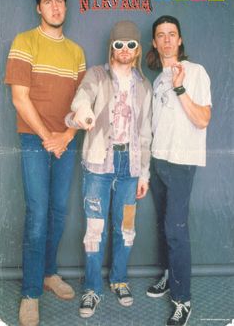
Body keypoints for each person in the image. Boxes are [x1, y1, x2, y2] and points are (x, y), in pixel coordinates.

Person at [4, 0, 86, 326]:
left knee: (56, 212)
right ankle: (31, 293)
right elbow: (19, 98)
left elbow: (85, 105)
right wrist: (48, 137)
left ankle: (49, 273)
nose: (55, 7)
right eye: (48, 2)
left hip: (64, 142)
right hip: (35, 140)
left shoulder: (76, 52)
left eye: (60, 1)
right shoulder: (25, 42)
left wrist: (65, 136)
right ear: (38, 8)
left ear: (65, 7)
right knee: (38, 215)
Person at [67, 20, 152, 318]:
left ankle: (119, 279)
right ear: (112, 47)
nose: (125, 50)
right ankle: (92, 288)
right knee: (95, 229)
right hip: (98, 166)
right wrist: (82, 111)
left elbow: (144, 133)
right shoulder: (96, 75)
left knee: (126, 228)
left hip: (130, 168)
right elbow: (81, 98)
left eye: (131, 44)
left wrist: (144, 174)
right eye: (119, 44)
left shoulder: (144, 85)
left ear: (137, 48)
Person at [145, 15, 212, 326]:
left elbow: (203, 120)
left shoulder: (196, 72)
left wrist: (181, 88)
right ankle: (170, 276)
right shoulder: (158, 79)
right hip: (159, 162)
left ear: (180, 40)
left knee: (175, 229)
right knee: (163, 226)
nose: (168, 40)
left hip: (182, 162)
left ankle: (183, 300)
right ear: (155, 43)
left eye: (172, 34)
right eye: (162, 35)